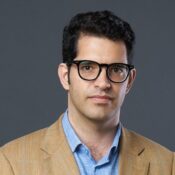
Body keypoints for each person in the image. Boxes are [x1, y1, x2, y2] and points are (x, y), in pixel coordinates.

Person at [0, 10, 174, 175]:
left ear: (129, 80)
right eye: (88, 67)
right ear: (65, 76)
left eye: (116, 69)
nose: (103, 83)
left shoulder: (167, 164)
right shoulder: (11, 162)